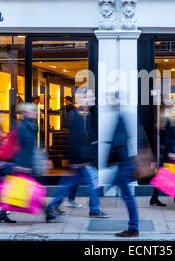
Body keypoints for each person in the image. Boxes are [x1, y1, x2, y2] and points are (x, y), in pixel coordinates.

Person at [45, 90, 109, 223]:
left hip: (82, 159)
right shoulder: (76, 116)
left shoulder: (86, 114)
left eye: (93, 95)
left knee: (69, 184)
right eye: (90, 96)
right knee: (92, 184)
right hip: (81, 160)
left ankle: (52, 206)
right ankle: (94, 209)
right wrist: (78, 161)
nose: (93, 98)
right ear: (82, 98)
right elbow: (75, 140)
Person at [0, 102, 39, 223]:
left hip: (26, 162)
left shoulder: (31, 125)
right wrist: (22, 165)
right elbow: (20, 147)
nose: (35, 113)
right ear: (26, 113)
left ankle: (2, 213)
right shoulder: (23, 127)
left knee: (20, 188)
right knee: (23, 189)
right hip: (22, 163)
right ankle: (48, 212)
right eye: (33, 111)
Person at [106, 92, 139, 237]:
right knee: (124, 193)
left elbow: (118, 143)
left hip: (124, 165)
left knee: (127, 196)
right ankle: (133, 226)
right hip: (124, 164)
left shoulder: (120, 117)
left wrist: (109, 160)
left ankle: (133, 228)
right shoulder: (122, 116)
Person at [150, 100, 175, 207]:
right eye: (172, 105)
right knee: (168, 176)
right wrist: (171, 152)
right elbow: (168, 138)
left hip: (166, 151)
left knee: (163, 176)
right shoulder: (167, 119)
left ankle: (154, 199)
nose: (174, 106)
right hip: (168, 151)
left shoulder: (164, 118)